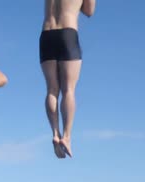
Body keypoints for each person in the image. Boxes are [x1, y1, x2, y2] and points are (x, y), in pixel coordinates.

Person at [40, 0, 96, 158]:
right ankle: (66, 136)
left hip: (46, 34)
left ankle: (55, 133)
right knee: (68, 89)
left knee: (51, 89)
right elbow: (89, 11)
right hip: (68, 33)